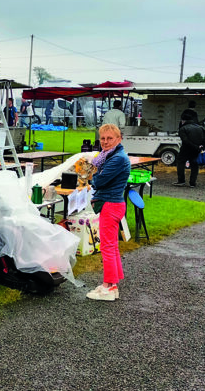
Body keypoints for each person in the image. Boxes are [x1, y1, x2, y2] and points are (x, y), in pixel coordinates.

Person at [86, 123, 131, 302]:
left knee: (107, 247)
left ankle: (108, 287)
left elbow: (100, 181)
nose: (105, 142)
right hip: (113, 204)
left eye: (109, 138)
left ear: (119, 139)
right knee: (112, 246)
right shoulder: (109, 156)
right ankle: (113, 283)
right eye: (103, 138)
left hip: (111, 204)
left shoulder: (118, 158)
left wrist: (92, 175)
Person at [175, 113, 205, 188]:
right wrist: (202, 147)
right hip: (197, 149)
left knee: (180, 162)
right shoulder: (201, 127)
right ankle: (192, 182)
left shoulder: (183, 128)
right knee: (195, 165)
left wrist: (195, 146)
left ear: (183, 120)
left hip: (186, 149)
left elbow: (185, 140)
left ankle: (181, 180)